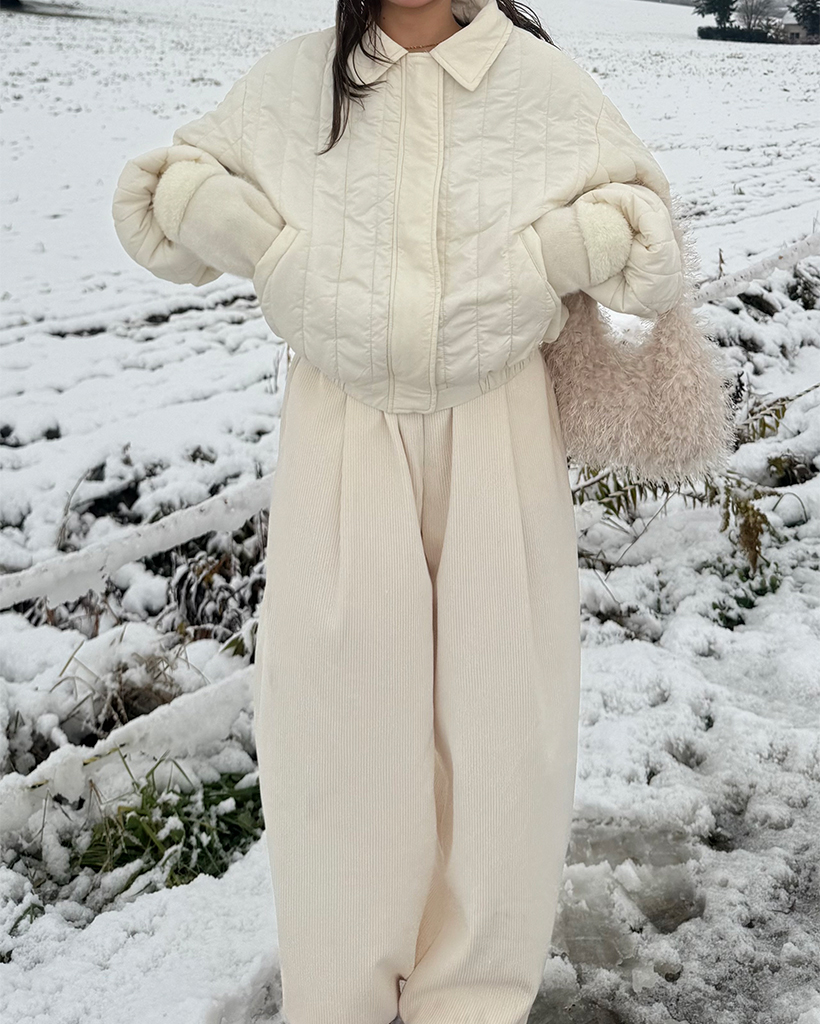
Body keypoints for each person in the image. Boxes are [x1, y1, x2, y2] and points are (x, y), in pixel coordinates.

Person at [111, 2, 720, 1021]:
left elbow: (649, 248)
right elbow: (153, 204)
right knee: (335, 736)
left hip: (499, 431)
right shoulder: (297, 83)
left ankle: (471, 1002)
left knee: (504, 733)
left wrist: (548, 256)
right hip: (340, 436)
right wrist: (269, 248)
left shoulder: (538, 85)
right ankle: (339, 1000)